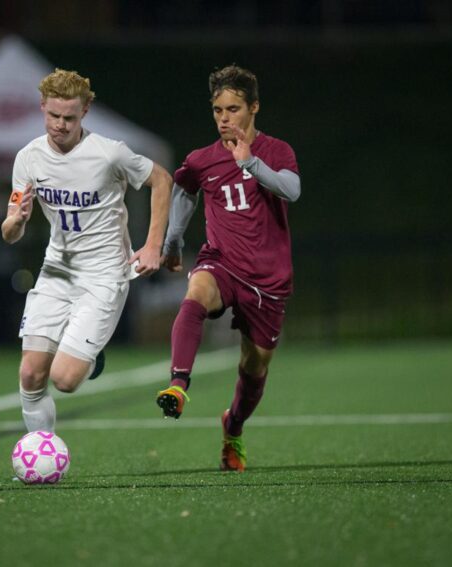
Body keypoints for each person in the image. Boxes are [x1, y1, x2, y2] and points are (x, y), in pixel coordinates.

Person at [2, 68, 172, 433]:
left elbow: (162, 179)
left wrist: (154, 243)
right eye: (53, 115)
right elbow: (10, 228)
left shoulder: (109, 154)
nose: (60, 125)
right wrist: (15, 222)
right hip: (56, 272)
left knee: (63, 379)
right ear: (42, 106)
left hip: (104, 276)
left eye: (69, 117)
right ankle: (41, 452)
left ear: (85, 113)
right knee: (31, 373)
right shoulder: (28, 158)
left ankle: (89, 358)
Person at [156, 65, 301, 472]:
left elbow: (292, 190)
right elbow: (185, 190)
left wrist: (250, 162)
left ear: (254, 107)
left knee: (254, 366)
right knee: (196, 293)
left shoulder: (277, 151)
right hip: (222, 262)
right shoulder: (202, 160)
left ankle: (233, 427)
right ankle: (178, 385)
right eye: (218, 109)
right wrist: (172, 241)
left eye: (233, 108)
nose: (224, 118)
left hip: (269, 279)